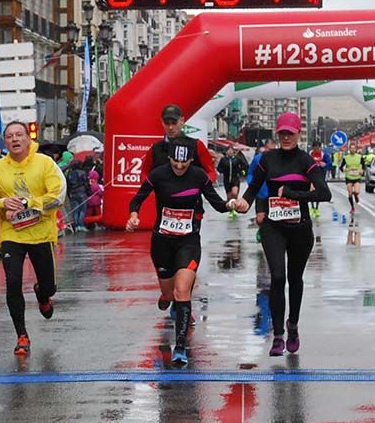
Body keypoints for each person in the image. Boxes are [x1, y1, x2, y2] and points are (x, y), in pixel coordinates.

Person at [233, 113, 331, 357]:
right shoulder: (268, 159)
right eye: (282, 133)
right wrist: (245, 202)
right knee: (277, 277)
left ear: (299, 134)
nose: (286, 137)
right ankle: (277, 335)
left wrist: (293, 194)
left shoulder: (305, 160)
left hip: (300, 228)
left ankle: (293, 326)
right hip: (273, 227)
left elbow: (324, 193)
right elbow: (254, 188)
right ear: (277, 134)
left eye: (291, 133)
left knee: (295, 278)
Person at [126, 141, 230, 365]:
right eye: (175, 162)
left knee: (182, 290)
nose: (180, 166)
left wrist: (232, 204)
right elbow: (137, 199)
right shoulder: (158, 174)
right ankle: (166, 297)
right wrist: (133, 215)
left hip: (188, 241)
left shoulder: (199, 176)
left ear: (191, 160)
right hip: (162, 242)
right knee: (169, 293)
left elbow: (217, 204)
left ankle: (180, 347)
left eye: (184, 162)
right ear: (169, 159)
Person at [0, 121, 65, 356]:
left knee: (49, 286)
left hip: (41, 234)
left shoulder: (45, 163)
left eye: (19, 135)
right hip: (12, 235)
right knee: (13, 282)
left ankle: (43, 295)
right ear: (5, 142)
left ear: (28, 138)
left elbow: (58, 195)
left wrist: (29, 203)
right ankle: (22, 335)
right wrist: (3, 204)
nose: (14, 139)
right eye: (9, 136)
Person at [148, 105, 217, 181]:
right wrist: (151, 188)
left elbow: (211, 172)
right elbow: (144, 174)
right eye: (167, 123)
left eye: (174, 123)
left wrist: (201, 185)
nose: (170, 127)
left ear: (182, 121)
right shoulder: (155, 148)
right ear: (162, 122)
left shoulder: (197, 145)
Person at [217, 146, 248, 217]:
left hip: (235, 179)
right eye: (229, 150)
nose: (230, 152)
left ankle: (235, 208)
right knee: (229, 197)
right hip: (227, 180)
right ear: (226, 152)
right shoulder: (223, 159)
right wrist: (223, 171)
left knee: (234, 193)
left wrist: (242, 172)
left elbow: (245, 165)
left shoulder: (237, 159)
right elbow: (219, 168)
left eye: (231, 150)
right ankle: (231, 211)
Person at [65, 158, 91, 231]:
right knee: (82, 209)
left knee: (75, 210)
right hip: (81, 192)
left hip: (73, 193)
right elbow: (86, 183)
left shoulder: (69, 174)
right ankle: (81, 224)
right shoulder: (83, 173)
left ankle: (76, 225)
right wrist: (89, 191)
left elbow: (68, 185)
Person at [341, 144, 365, 213]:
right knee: (350, 193)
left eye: (354, 148)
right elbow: (341, 167)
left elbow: (364, 166)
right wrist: (344, 170)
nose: (352, 149)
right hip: (349, 177)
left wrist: (362, 171)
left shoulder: (360, 157)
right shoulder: (346, 158)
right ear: (349, 149)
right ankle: (352, 207)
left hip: (357, 177)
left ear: (356, 149)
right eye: (351, 148)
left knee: (357, 191)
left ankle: (356, 195)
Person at [308, 141, 327, 218]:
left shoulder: (323, 155)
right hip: (311, 176)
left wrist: (325, 164)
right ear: (313, 148)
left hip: (320, 176)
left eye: (318, 148)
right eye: (315, 148)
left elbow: (329, 163)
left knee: (318, 193)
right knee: (312, 192)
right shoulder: (310, 154)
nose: (316, 150)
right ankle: (312, 207)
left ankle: (317, 208)